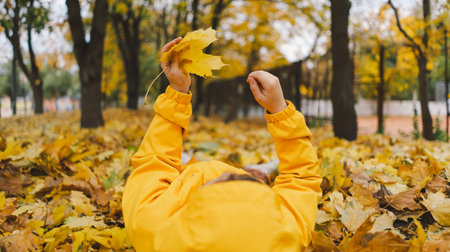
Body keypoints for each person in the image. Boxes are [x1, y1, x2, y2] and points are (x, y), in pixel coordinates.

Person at [122, 38, 322, 252]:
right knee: (256, 173)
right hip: (237, 186)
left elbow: (154, 162)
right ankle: (260, 173)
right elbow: (300, 180)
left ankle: (249, 172)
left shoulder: (155, 229)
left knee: (185, 162)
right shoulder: (284, 235)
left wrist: (177, 91)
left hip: (189, 177)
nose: (228, 177)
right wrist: (280, 111)